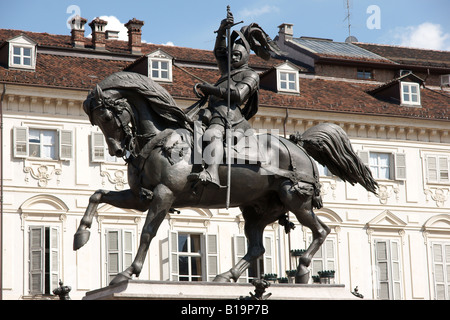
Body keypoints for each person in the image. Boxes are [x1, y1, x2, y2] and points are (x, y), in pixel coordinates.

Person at [188, 11, 260, 187]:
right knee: (188, 124)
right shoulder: (228, 71)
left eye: (237, 56)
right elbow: (219, 51)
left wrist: (211, 89)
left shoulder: (251, 74)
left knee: (212, 134)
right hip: (212, 111)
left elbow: (238, 95)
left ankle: (212, 173)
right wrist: (222, 30)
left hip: (230, 117)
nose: (233, 58)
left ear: (245, 56)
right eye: (232, 55)